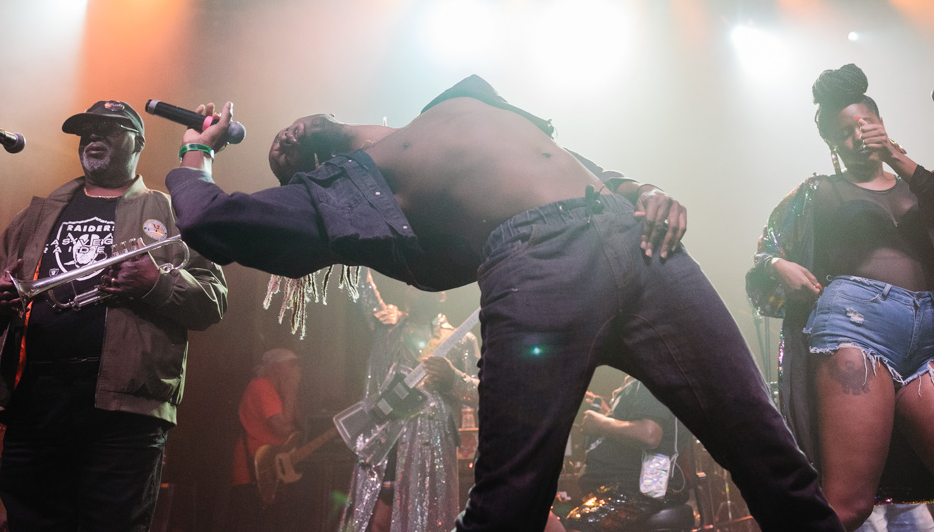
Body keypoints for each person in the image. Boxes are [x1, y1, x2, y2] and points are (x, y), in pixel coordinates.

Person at [165, 74, 842, 531]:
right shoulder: (353, 183)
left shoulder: (461, 99)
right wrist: (197, 151)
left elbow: (565, 158)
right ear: (314, 176)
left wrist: (639, 186)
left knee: (770, 454)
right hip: (539, 267)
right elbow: (208, 219)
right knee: (509, 501)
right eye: (288, 154)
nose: (286, 136)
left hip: (636, 242)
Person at [745, 64, 934, 530]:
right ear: (832, 144)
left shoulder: (921, 186)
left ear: (881, 125)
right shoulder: (819, 192)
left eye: (865, 124)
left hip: (928, 342)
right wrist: (778, 265)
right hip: (854, 326)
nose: (858, 136)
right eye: (845, 132)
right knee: (849, 506)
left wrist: (900, 160)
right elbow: (766, 252)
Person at [0, 100, 228, 531]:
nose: (95, 136)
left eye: (110, 128)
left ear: (138, 142)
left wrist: (155, 284)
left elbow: (212, 301)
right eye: (89, 129)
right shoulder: (38, 213)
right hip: (35, 404)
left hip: (124, 413)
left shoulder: (168, 212)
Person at [340, 274, 479, 532]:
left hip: (432, 450)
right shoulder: (388, 327)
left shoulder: (461, 340)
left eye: (426, 287)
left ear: (443, 295)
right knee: (376, 521)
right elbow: (362, 288)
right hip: (384, 442)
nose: (417, 292)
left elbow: (485, 393)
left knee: (427, 523)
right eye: (413, 287)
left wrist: (453, 378)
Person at [564, 375, 692, 532]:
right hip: (624, 488)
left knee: (580, 524)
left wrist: (600, 423)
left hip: (643, 489)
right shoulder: (637, 385)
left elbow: (649, 434)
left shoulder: (647, 380)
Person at [227, 348, 306, 532]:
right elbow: (282, 428)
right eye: (292, 364)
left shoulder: (279, 392)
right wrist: (290, 393)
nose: (298, 370)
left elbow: (299, 426)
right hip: (253, 473)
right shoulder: (261, 386)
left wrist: (291, 394)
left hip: (273, 471)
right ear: (277, 367)